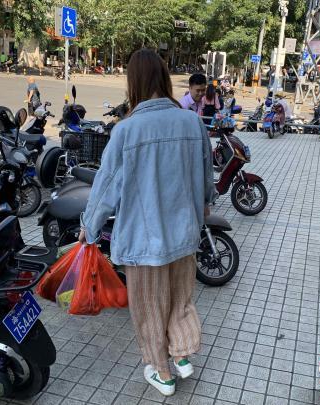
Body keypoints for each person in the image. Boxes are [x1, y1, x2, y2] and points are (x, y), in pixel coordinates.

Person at [78, 49, 216, 397]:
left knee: (150, 308)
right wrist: (202, 212)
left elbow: (106, 187)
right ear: (165, 79)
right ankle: (182, 353)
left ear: (133, 82)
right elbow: (205, 178)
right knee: (181, 300)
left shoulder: (127, 131)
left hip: (144, 240)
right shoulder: (192, 122)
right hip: (185, 235)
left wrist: (90, 228)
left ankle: (162, 372)